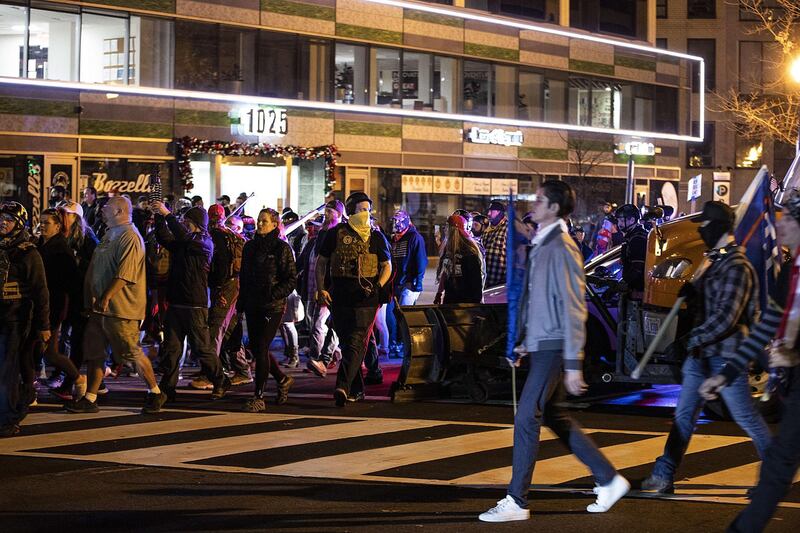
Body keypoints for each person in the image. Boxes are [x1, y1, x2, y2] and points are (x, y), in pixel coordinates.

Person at [479, 181, 629, 522]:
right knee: (554, 416)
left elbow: (574, 307)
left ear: (555, 208)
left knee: (525, 417)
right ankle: (608, 479)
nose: (535, 203)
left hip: (555, 345)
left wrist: (574, 363)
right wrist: (522, 341)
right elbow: (538, 300)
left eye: (541, 199)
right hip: (542, 342)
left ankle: (516, 501)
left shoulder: (562, 247)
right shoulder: (544, 243)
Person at [640, 201, 772, 494]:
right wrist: (693, 293)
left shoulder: (738, 266)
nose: (702, 232)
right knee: (683, 417)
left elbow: (726, 317)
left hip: (726, 357)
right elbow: (710, 309)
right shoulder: (716, 261)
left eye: (706, 227)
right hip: (702, 357)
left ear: (719, 228)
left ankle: (774, 475)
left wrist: (690, 339)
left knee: (746, 417)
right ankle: (663, 475)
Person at [699, 190, 800, 532]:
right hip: (794, 386)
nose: (779, 222)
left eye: (786, 216)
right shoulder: (789, 273)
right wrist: (725, 375)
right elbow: (765, 327)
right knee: (778, 465)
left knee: (779, 463)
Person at [64, 196, 167, 415]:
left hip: (121, 309)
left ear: (120, 211)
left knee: (131, 352)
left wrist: (107, 296)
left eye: (107, 207)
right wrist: (90, 298)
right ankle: (90, 398)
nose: (102, 210)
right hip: (98, 309)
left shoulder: (130, 236)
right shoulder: (110, 234)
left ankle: (155, 392)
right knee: (95, 353)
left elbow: (125, 273)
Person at [315, 192, 391, 406]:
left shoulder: (376, 236)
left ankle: (342, 386)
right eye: (361, 209)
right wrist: (321, 288)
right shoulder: (336, 234)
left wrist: (378, 285)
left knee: (357, 341)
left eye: (368, 209)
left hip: (366, 299)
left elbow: (387, 265)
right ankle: (356, 389)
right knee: (349, 344)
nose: (366, 214)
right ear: (350, 212)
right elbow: (321, 263)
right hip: (339, 296)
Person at [151, 200, 230, 401]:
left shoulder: (204, 242)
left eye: (187, 220)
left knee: (202, 348)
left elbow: (182, 236)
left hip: (195, 305)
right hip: (176, 302)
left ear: (195, 222)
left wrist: (167, 214)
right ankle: (168, 388)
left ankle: (220, 380)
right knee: (171, 350)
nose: (184, 222)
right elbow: (164, 237)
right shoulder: (185, 240)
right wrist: (159, 217)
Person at [237, 208, 296, 412]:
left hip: (273, 305)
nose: (260, 224)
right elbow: (244, 277)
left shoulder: (282, 248)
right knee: (257, 347)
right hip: (253, 303)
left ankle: (258, 395)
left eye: (264, 221)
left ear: (274, 224)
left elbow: (291, 278)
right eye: (259, 221)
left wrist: (274, 293)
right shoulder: (250, 247)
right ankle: (282, 379)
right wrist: (241, 303)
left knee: (261, 345)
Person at [0, 202, 49, 437]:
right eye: (1, 218)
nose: (3, 223)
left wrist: (44, 325)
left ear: (18, 224)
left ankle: (8, 419)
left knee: (7, 371)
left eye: (8, 220)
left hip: (15, 319)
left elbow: (41, 291)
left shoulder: (28, 252)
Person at [193, 204, 251, 388]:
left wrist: (217, 287)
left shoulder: (216, 236)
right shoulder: (230, 235)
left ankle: (209, 375)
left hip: (225, 287)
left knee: (215, 328)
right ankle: (242, 370)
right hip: (236, 285)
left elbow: (220, 266)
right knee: (231, 330)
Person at [36, 208, 85, 401]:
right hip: (41, 305)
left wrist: (58, 314)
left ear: (57, 226)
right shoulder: (41, 244)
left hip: (53, 307)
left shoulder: (61, 250)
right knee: (37, 350)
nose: (42, 226)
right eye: (41, 222)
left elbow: (69, 285)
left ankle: (78, 378)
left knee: (50, 353)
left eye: (47, 223)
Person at [306, 201, 344, 378]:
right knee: (323, 324)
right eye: (326, 211)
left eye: (330, 211)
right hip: (321, 286)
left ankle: (319, 359)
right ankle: (329, 356)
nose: (326, 214)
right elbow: (318, 261)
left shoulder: (340, 233)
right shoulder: (323, 232)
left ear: (339, 214)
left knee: (322, 325)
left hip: (334, 286)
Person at [434, 214, 484, 305]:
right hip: (450, 298)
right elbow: (445, 272)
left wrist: (475, 304)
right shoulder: (448, 249)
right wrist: (439, 293)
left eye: (448, 227)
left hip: (465, 300)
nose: (445, 230)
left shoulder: (469, 251)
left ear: (454, 230)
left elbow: (476, 280)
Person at [615, 204, 648, 299]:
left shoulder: (637, 239)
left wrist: (623, 284)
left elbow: (637, 268)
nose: (619, 224)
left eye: (621, 220)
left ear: (632, 220)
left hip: (637, 292)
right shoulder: (632, 237)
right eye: (618, 221)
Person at [482, 200, 508, 288]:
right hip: (486, 281)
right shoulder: (487, 229)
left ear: (499, 212)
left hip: (500, 282)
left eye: (491, 211)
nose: (488, 214)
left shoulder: (508, 228)